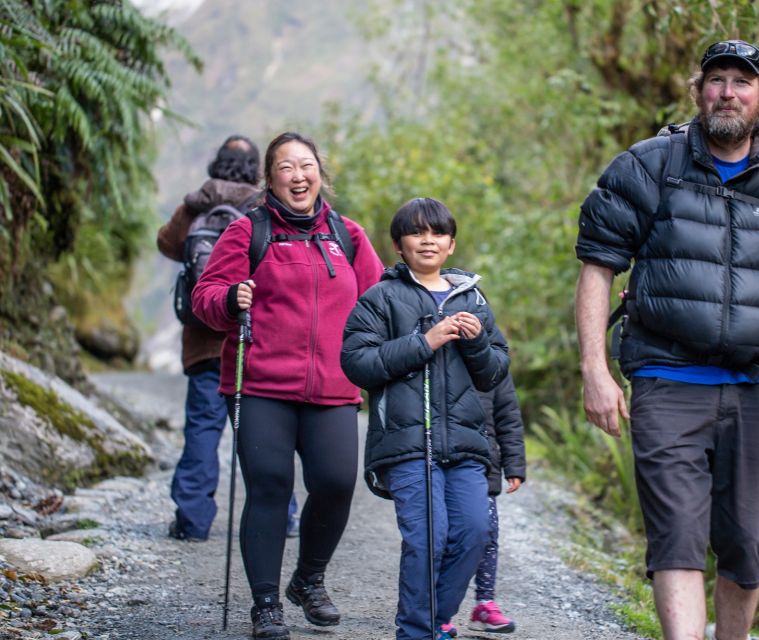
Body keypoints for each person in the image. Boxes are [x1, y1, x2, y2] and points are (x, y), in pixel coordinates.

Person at [574, 40, 759, 640]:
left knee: (748, 542)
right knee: (677, 530)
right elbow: (599, 265)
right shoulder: (650, 166)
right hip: (667, 379)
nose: (727, 92)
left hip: (757, 389)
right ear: (699, 91)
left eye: (742, 82)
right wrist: (594, 369)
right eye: (716, 80)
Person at [192, 132, 385, 639]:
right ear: (269, 178)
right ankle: (265, 605)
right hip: (259, 385)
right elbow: (205, 297)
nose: (298, 176)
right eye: (286, 168)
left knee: (337, 484)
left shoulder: (349, 237)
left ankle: (308, 578)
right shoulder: (247, 233)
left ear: (320, 171)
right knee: (270, 485)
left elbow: (380, 304)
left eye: (306, 165)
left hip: (334, 388)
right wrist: (231, 297)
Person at [341, 197, 511, 640]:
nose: (428, 240)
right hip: (407, 444)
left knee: (474, 531)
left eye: (437, 233)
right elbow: (356, 363)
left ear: (451, 244)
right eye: (417, 233)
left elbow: (494, 371)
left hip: (466, 443)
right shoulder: (380, 298)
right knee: (428, 539)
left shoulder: (472, 298)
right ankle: (416, 631)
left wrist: (474, 344)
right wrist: (425, 341)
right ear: (399, 245)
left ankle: (435, 618)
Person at [158, 135, 299, 542]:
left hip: (203, 343)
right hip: (254, 343)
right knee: (262, 435)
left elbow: (167, 243)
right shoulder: (263, 208)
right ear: (258, 168)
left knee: (203, 428)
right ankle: (283, 514)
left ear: (216, 163)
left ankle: (193, 520)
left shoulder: (196, 204)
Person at [441, 373, 526, 636]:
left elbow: (509, 418)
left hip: (483, 466)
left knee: (487, 534)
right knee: (440, 536)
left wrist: (514, 465)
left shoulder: (493, 365)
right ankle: (435, 608)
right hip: (442, 462)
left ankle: (484, 604)